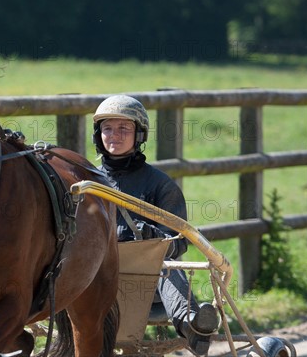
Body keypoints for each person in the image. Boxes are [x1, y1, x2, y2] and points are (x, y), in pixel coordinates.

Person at [92, 95, 219, 356]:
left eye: (123, 129)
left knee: (165, 263)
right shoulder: (88, 182)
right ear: (98, 134)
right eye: (107, 129)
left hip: (148, 285)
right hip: (95, 279)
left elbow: (180, 241)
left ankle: (192, 324)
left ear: (139, 135)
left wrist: (153, 238)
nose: (114, 135)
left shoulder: (160, 185)